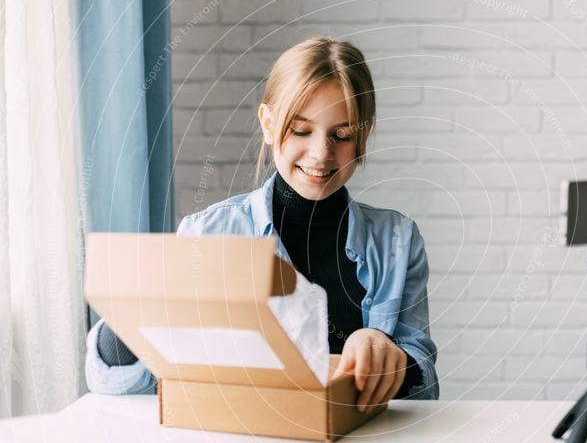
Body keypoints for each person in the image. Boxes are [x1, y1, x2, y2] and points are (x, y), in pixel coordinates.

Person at [85, 36, 439, 411]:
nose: (321, 154)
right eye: (301, 130)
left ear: (363, 134)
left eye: (342, 135)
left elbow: (425, 388)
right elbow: (115, 383)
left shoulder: (398, 241)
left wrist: (395, 361)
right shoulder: (208, 235)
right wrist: (133, 310)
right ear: (269, 125)